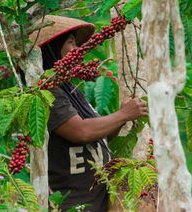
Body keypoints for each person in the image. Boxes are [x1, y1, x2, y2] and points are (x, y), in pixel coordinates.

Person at [30, 15, 148, 211]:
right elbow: (81, 132)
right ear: (52, 48)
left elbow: (99, 137)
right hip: (76, 205)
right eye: (70, 43)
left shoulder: (70, 91)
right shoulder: (46, 92)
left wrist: (120, 118)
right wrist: (123, 115)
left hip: (100, 202)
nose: (76, 50)